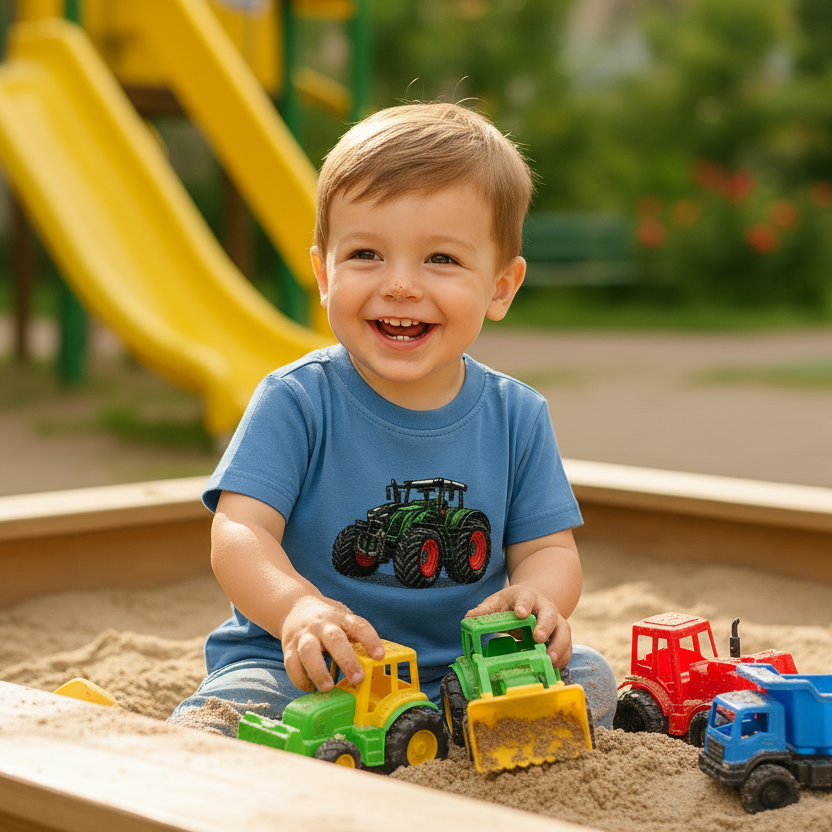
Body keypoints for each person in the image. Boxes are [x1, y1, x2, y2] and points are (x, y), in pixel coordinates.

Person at [168, 102, 616, 736]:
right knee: (230, 710)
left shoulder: (516, 415)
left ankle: (456, 722)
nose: (400, 285)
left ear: (501, 287)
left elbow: (547, 549)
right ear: (324, 273)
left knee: (593, 678)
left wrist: (539, 598)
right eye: (367, 255)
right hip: (304, 663)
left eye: (440, 259)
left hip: (461, 668)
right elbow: (240, 534)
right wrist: (297, 608)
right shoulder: (297, 400)